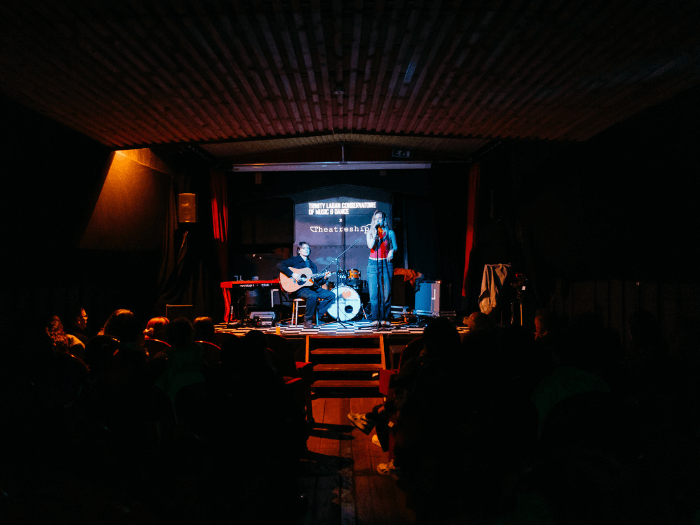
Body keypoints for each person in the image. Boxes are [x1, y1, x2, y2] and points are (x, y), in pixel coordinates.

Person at [277, 241, 336, 328]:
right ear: (298, 251)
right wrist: (292, 274)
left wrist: (324, 278)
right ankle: (307, 321)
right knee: (312, 296)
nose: (306, 250)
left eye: (308, 248)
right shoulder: (295, 260)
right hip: (299, 288)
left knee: (331, 295)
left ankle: (317, 316)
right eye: (304, 248)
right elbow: (279, 264)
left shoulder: (312, 265)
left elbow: (316, 282)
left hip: (312, 287)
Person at [366, 210, 397, 327]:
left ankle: (385, 318)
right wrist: (374, 232)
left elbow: (395, 246)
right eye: (376, 218)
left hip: (386, 264)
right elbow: (370, 245)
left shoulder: (390, 233)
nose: (379, 220)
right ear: (374, 220)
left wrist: (392, 251)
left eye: (381, 218)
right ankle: (375, 318)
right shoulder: (370, 232)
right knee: (374, 294)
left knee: (386, 292)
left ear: (384, 220)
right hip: (373, 264)